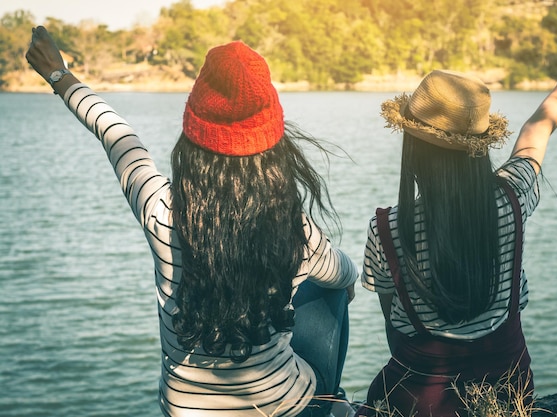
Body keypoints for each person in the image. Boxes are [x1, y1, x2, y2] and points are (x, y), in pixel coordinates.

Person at [26, 26, 358, 417]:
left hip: (185, 409)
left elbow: (116, 134)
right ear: (272, 148)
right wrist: (345, 286)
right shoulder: (293, 229)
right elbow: (343, 274)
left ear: (192, 138)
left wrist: (58, 75)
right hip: (283, 404)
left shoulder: (159, 208)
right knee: (331, 290)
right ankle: (334, 403)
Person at [357, 39, 557, 417]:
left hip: (416, 398)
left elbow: (393, 319)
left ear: (414, 147)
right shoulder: (513, 197)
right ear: (480, 146)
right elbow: (535, 134)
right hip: (509, 388)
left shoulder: (388, 229)